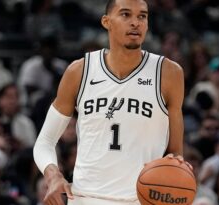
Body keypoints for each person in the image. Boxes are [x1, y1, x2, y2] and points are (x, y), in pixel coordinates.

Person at [32, 0, 188, 204]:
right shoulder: (79, 71)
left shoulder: (169, 73)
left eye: (142, 16)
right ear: (106, 21)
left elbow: (175, 153)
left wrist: (176, 171)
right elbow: (44, 142)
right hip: (85, 198)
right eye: (125, 15)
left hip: (140, 199)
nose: (135, 22)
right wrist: (53, 175)